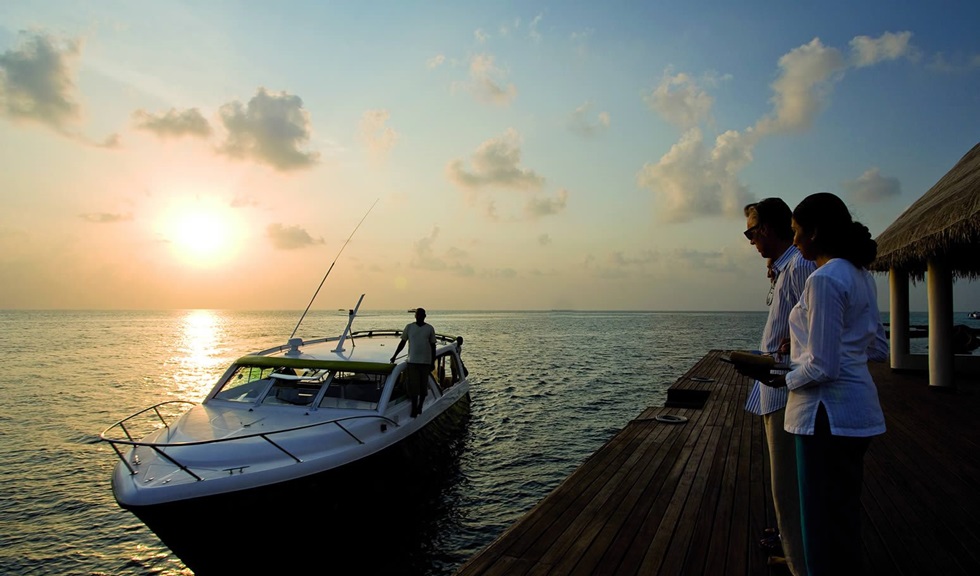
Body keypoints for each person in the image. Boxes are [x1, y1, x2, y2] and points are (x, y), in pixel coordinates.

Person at [753, 192, 888, 576]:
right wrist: (812, 349)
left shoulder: (825, 279)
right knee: (843, 522)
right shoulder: (861, 276)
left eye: (796, 232)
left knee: (817, 530)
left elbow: (823, 367)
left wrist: (782, 375)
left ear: (814, 232)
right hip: (858, 415)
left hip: (823, 418)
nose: (793, 241)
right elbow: (877, 348)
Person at [742, 198, 816, 576]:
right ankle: (792, 553)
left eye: (751, 232)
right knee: (783, 486)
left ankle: (800, 566)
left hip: (787, 390)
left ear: (767, 229)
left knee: (788, 488)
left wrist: (795, 345)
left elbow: (814, 325)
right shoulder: (786, 268)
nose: (751, 240)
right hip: (775, 389)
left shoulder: (801, 266)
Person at [390, 307, 437, 418]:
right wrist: (395, 356)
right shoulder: (409, 327)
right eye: (418, 314)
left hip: (425, 362)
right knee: (414, 387)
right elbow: (403, 342)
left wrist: (432, 362)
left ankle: (420, 406)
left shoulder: (429, 329)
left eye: (422, 314)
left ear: (425, 316)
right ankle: (414, 408)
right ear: (415, 316)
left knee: (423, 386)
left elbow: (433, 346)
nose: (419, 316)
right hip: (413, 362)